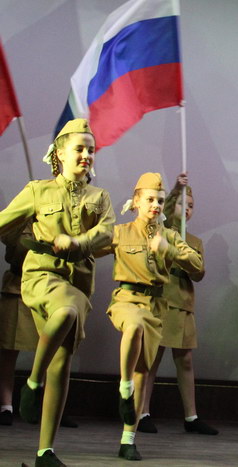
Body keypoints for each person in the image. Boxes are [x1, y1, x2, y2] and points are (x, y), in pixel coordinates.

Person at [0, 118, 114, 467]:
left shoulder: (100, 197)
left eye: (91, 150)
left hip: (78, 283)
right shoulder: (38, 190)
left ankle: (44, 452)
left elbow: (107, 234)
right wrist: (25, 240)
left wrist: (78, 242)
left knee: (62, 363)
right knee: (66, 312)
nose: (86, 155)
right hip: (42, 276)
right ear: (59, 154)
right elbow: (4, 223)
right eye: (79, 149)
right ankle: (32, 382)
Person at [101, 172, 203, 460]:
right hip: (127, 300)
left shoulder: (169, 235)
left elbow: (197, 265)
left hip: (157, 308)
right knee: (134, 327)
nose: (155, 205)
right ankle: (124, 387)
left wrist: (169, 250)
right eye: (150, 199)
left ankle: (128, 439)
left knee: (143, 370)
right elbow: (90, 245)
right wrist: (67, 242)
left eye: (159, 200)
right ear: (136, 201)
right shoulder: (121, 232)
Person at [137, 173, 217, 436]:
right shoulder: (160, 232)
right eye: (183, 204)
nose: (188, 209)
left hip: (183, 305)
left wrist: (184, 258)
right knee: (152, 359)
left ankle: (191, 417)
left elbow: (199, 273)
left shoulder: (194, 242)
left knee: (185, 361)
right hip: (161, 301)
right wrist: (175, 190)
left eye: (191, 205)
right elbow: (166, 209)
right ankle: (142, 412)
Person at [0, 237, 37, 426]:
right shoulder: (18, 222)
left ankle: (51, 405)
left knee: (55, 353)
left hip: (51, 287)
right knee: (9, 349)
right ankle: (5, 406)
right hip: (18, 285)